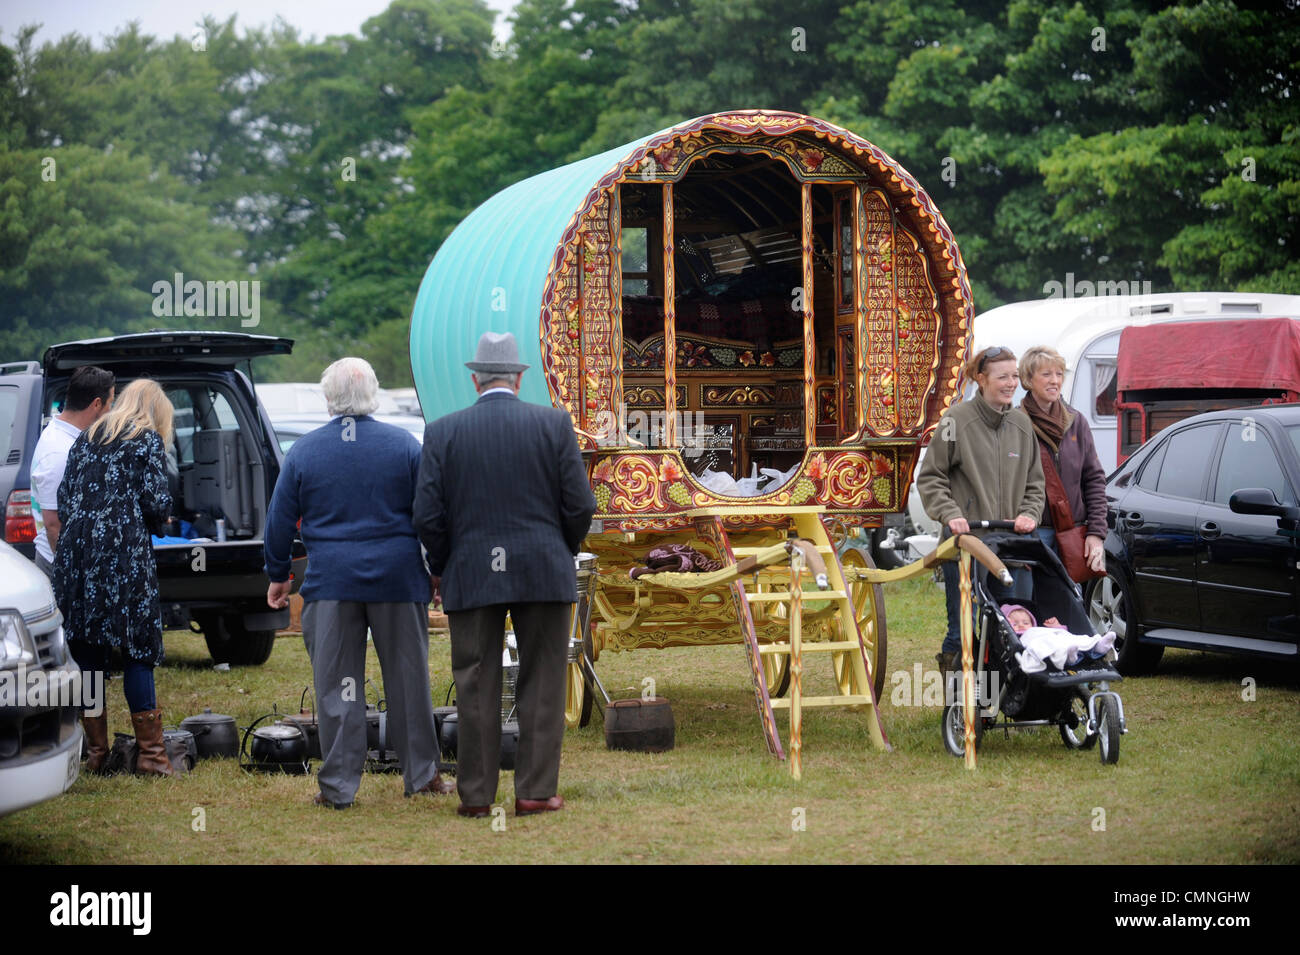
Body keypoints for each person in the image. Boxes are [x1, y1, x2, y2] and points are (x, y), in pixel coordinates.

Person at [414, 332, 597, 818]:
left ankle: (475, 795)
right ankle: (536, 791)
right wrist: (560, 548)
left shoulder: (443, 432)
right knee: (543, 679)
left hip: (471, 571)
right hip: (543, 568)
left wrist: (442, 566)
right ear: (518, 377)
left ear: (475, 379)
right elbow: (580, 506)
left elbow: (427, 517)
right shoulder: (554, 424)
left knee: (476, 681)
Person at [264, 357, 451, 809]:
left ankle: (339, 787)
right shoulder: (405, 445)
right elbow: (431, 516)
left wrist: (278, 575)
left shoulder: (305, 452)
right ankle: (422, 775)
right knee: (409, 681)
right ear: (373, 394)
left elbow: (278, 521)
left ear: (328, 399)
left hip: (332, 584)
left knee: (337, 686)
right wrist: (439, 570)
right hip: (398, 579)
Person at [52, 378, 174, 776]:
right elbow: (156, 506)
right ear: (156, 412)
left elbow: (65, 499)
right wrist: (160, 518)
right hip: (123, 559)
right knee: (138, 651)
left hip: (77, 556)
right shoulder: (147, 441)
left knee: (87, 654)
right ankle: (153, 758)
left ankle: (96, 754)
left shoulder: (86, 438)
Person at [916, 345, 1045, 674]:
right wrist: (950, 514)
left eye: (1015, 376)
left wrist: (1030, 513)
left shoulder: (1021, 424)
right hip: (967, 545)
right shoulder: (954, 421)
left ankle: (1008, 697)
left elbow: (1035, 483)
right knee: (963, 631)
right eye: (1003, 377)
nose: (1011, 383)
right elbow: (931, 477)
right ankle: (957, 704)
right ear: (980, 378)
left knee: (1015, 625)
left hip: (1013, 546)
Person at [1018, 345, 1107, 578]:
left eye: (1059, 374)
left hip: (1073, 533)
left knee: (1070, 605)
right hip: (1032, 534)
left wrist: (1096, 533)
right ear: (1028, 379)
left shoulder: (1077, 422)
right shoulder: (1015, 424)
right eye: (1046, 374)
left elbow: (1094, 480)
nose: (1055, 381)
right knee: (1032, 607)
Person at [30, 366, 115, 579]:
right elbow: (53, 526)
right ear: (97, 404)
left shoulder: (64, 435)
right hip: (59, 565)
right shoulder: (59, 452)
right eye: (110, 403)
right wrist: (75, 576)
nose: (111, 411)